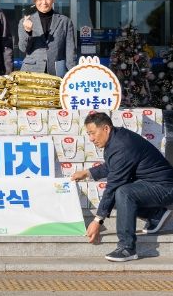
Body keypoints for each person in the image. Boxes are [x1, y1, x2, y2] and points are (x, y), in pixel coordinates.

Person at [71, 112, 173, 262]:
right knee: (117, 196)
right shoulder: (116, 139)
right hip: (150, 184)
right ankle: (155, 214)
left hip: (165, 188)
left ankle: (127, 248)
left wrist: (97, 220)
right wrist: (87, 173)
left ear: (106, 128)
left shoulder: (122, 145)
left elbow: (114, 185)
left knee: (123, 193)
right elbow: (113, 166)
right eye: (88, 134)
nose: (91, 138)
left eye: (93, 133)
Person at [18, 0, 76, 76]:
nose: (44, 2)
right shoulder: (25, 21)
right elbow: (23, 48)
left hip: (56, 72)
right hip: (31, 72)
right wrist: (28, 32)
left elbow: (70, 51)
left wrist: (72, 74)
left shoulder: (65, 21)